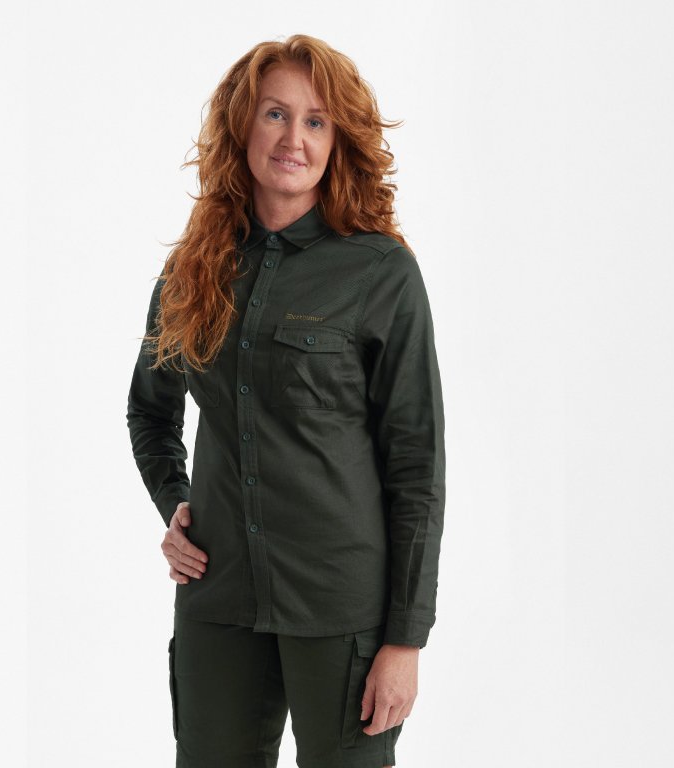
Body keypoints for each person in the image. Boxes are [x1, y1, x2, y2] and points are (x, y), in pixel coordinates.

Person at [126, 33, 446, 768]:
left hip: (341, 610)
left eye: (315, 121)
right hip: (218, 600)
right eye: (275, 113)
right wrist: (176, 503)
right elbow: (150, 409)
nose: (293, 138)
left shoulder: (381, 272)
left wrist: (405, 639)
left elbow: (417, 466)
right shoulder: (193, 268)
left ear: (338, 141)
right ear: (243, 125)